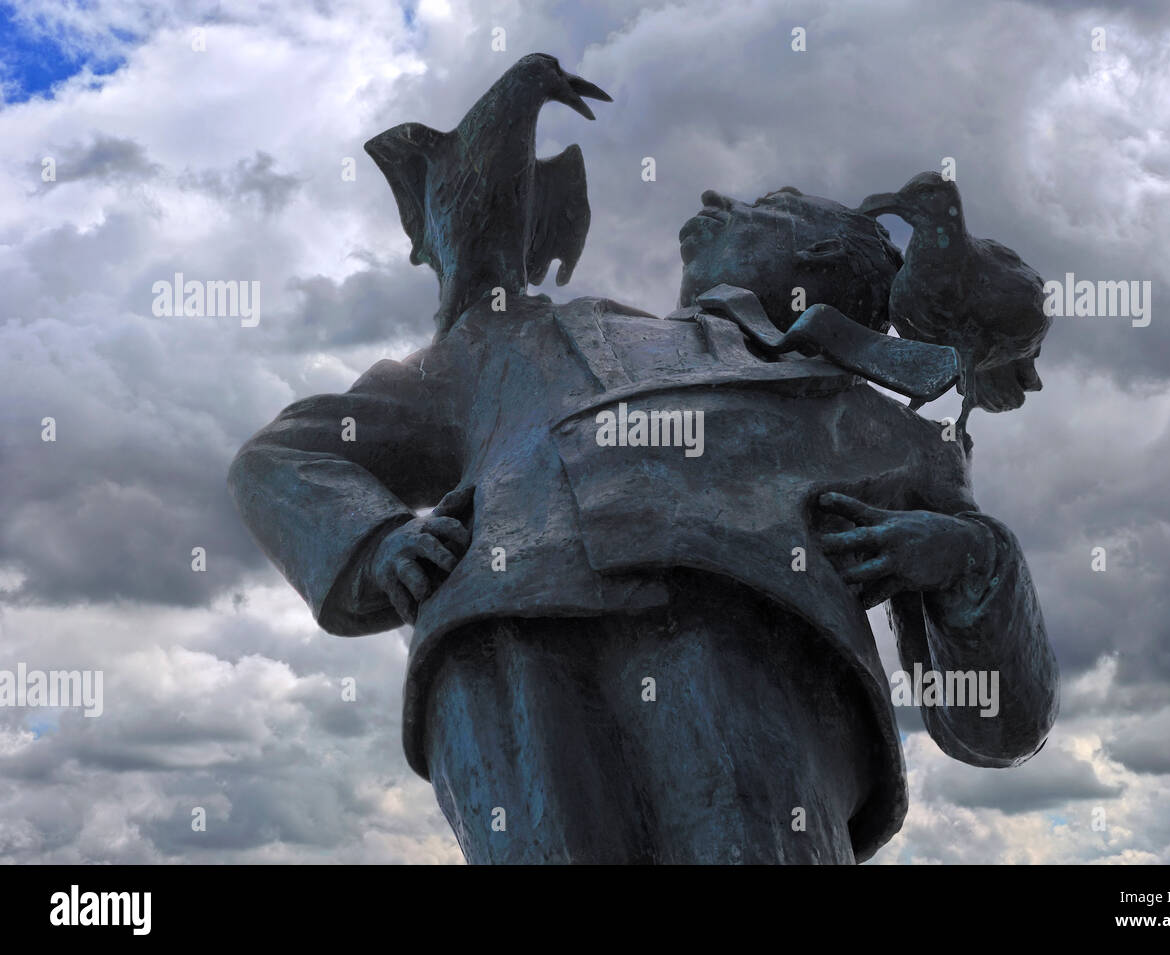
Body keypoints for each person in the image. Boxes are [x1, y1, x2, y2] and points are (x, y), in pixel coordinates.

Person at [228, 185, 1058, 864]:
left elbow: (996, 727)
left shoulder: (892, 430)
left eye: (758, 203)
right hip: (509, 642)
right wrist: (375, 548)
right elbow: (286, 452)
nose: (714, 196)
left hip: (756, 652)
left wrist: (970, 560)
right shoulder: (513, 340)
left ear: (812, 258)